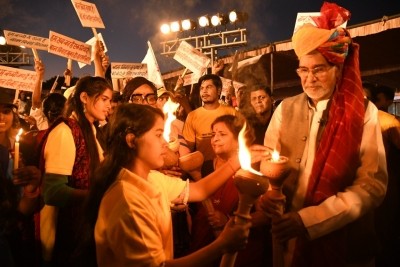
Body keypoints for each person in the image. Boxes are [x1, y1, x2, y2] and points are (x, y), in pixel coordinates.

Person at [260, 3, 387, 266]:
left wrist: (309, 220)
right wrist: (267, 192)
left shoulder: (362, 112)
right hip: (290, 244)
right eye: (303, 71)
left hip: (347, 246)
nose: (309, 79)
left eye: (318, 69)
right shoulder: (285, 109)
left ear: (337, 69)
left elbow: (372, 186)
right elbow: (268, 163)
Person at [78, 103, 251, 267]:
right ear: (132, 140)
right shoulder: (128, 201)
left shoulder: (152, 179)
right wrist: (222, 245)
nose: (165, 143)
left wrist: (237, 161)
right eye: (158, 134)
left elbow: (200, 190)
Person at [38, 76, 112, 266]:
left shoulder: (92, 131)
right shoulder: (65, 132)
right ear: (84, 98)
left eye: (110, 100)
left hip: (85, 231)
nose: (109, 106)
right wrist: (95, 196)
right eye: (104, 99)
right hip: (68, 236)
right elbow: (53, 192)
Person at [189, 114, 271, 267]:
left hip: (240, 250)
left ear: (239, 139)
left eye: (222, 134)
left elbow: (265, 215)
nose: (215, 139)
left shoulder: (253, 170)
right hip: (205, 248)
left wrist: (228, 220)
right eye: (213, 134)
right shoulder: (205, 167)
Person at [0, 89, 42, 266]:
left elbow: (25, 205)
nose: (2, 117)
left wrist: (33, 184)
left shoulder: (21, 145)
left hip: (16, 226)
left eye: (6, 111)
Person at [183, 74, 238, 161]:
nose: (204, 91)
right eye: (202, 88)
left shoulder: (231, 113)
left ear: (219, 91)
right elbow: (188, 148)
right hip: (204, 168)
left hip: (229, 165)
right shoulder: (192, 116)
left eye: (208, 87)